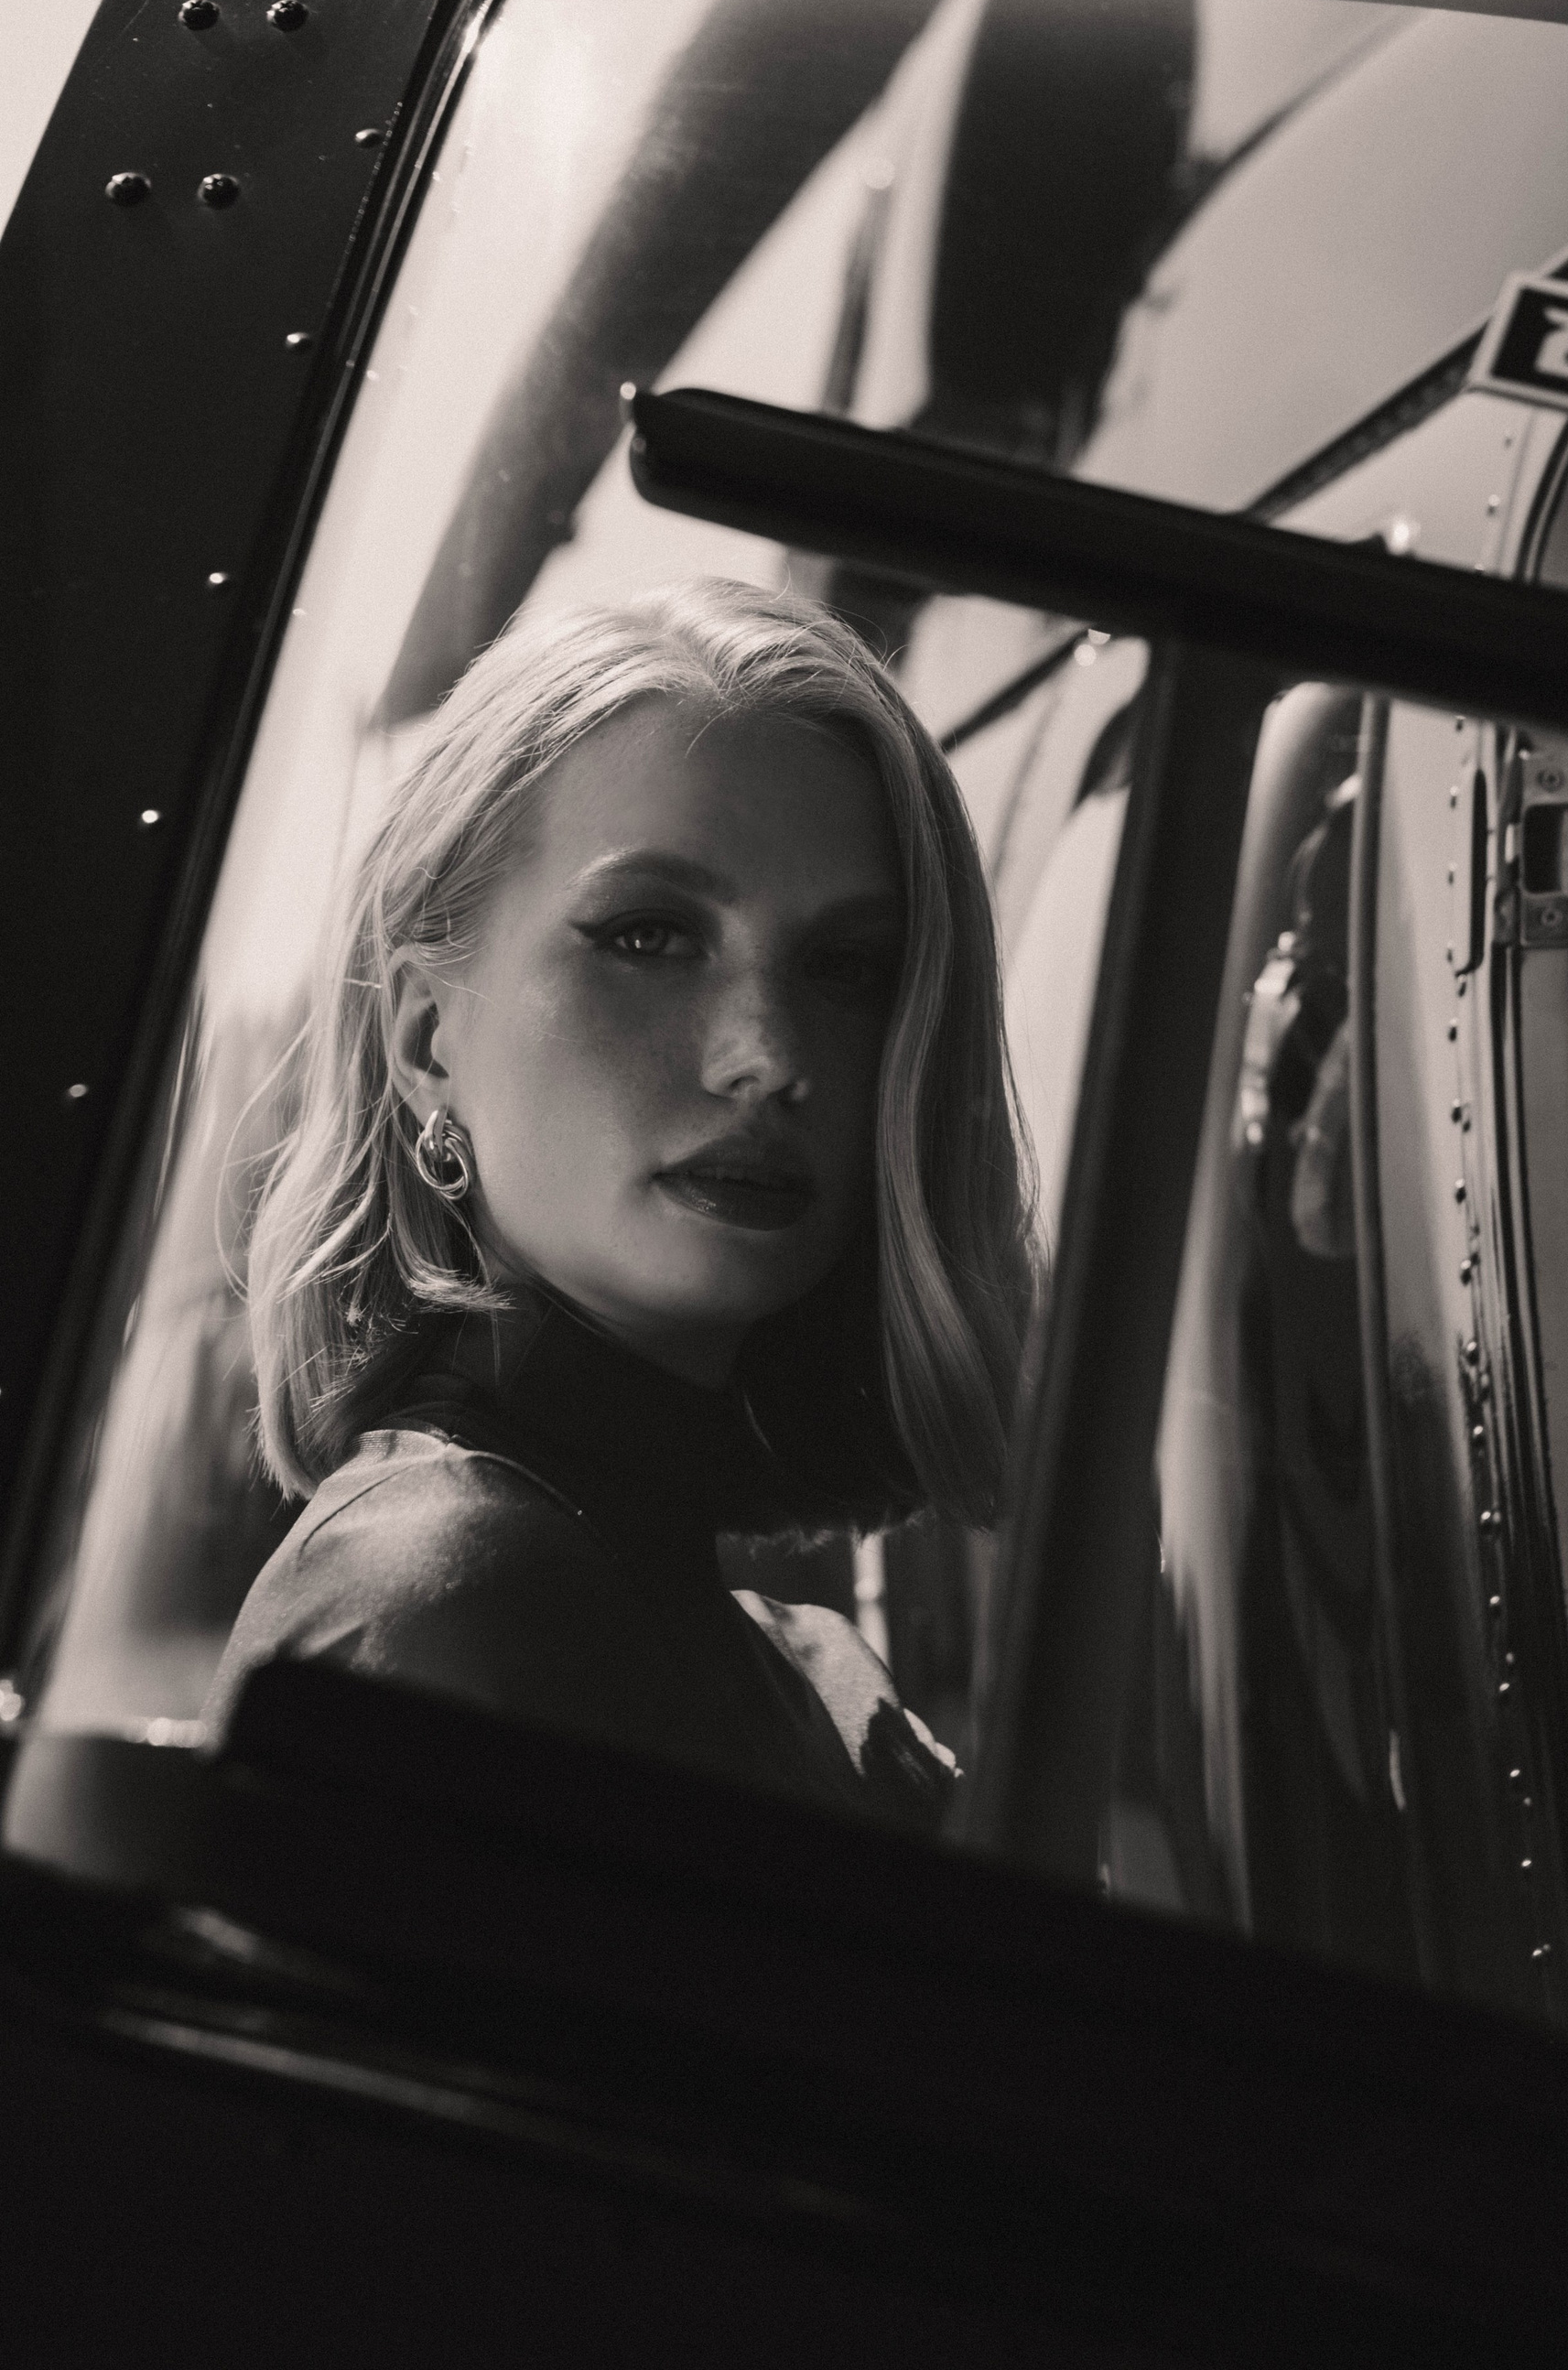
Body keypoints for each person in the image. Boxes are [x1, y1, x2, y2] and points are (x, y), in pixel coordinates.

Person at [203, 579, 1037, 1826]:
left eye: (849, 967)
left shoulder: (736, 1649)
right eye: (649, 936)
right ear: (425, 1038)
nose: (769, 1055)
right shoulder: (453, 1598)